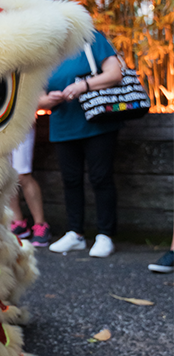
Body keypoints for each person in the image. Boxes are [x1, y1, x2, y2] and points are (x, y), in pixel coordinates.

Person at [40, 29, 123, 258]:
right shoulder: (46, 50)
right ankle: (75, 233)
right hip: (63, 125)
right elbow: (35, 95)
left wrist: (83, 86)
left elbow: (115, 73)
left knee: (100, 177)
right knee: (70, 180)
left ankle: (105, 235)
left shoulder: (91, 39)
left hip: (97, 123)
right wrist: (48, 100)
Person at [9, 124, 51, 246]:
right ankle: (18, 223)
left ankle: (41, 225)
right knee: (7, 175)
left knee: (23, 174)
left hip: (21, 124)